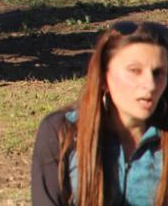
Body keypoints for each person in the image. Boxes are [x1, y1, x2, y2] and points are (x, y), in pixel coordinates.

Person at [31, 21, 168, 206]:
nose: (150, 85)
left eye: (158, 73)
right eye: (134, 71)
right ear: (103, 76)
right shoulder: (62, 131)